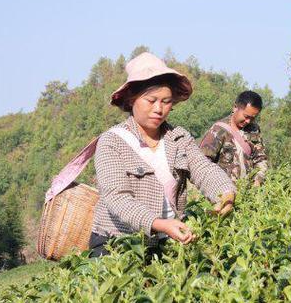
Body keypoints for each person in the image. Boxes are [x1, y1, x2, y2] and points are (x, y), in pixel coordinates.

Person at [89, 52, 236, 257]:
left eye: (166, 101)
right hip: (117, 244)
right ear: (132, 100)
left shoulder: (178, 138)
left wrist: (225, 194)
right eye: (151, 100)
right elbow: (117, 198)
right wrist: (159, 224)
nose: (159, 109)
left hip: (166, 243)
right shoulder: (112, 141)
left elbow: (204, 169)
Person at [199, 91, 269, 187]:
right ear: (235, 107)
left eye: (252, 118)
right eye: (246, 116)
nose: (248, 121)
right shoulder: (218, 130)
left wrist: (258, 179)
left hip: (249, 193)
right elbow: (202, 163)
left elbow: (260, 158)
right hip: (224, 193)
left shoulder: (254, 129)